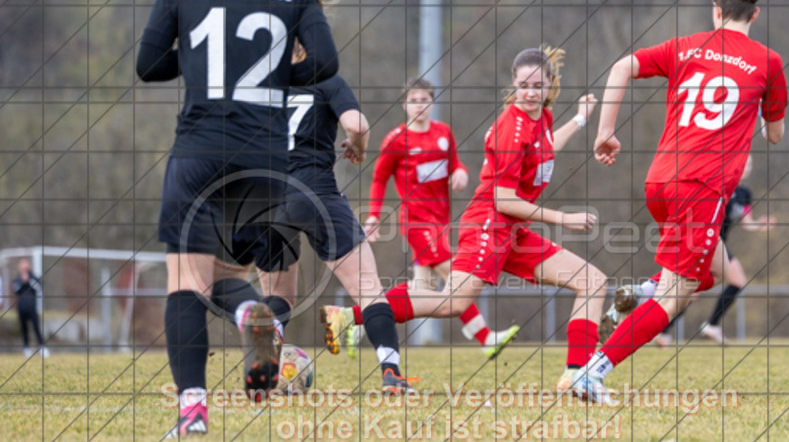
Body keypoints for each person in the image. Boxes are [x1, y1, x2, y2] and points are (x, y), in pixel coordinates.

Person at [137, 0, 340, 437]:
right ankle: (253, 314)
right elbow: (325, 64)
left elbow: (148, 65)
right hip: (266, 159)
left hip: (200, 149)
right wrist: (275, 73)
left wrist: (200, 60)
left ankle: (193, 411)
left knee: (187, 281)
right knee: (230, 271)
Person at [574, 0, 788, 402]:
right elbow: (775, 134)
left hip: (661, 182)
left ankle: (640, 292)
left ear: (715, 9)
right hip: (701, 189)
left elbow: (621, 68)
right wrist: (761, 116)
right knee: (676, 296)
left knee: (707, 274)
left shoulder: (685, 48)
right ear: (756, 13)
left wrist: (605, 132)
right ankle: (592, 372)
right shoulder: (768, 62)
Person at [359, 47, 607, 391]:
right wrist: (563, 219)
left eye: (538, 85)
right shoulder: (511, 127)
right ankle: (356, 315)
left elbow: (547, 147)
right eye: (524, 86)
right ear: (513, 84)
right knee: (453, 302)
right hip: (489, 223)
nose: (530, 92)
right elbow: (503, 199)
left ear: (550, 84)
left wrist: (580, 120)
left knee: (592, 281)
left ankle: (577, 375)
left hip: (512, 229)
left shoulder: (542, 118)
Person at [244, 46, 412, 394]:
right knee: (368, 289)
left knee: (278, 297)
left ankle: (264, 367)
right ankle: (391, 373)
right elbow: (357, 124)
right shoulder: (325, 79)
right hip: (314, 192)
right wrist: (358, 146)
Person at [355, 78, 518, 358]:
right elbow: (379, 179)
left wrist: (461, 173)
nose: (419, 106)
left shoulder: (443, 132)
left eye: (424, 100)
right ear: (404, 105)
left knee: (423, 290)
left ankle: (355, 319)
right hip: (416, 222)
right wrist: (373, 216)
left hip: (441, 222)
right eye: (413, 101)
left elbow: (456, 165)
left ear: (432, 102)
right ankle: (486, 337)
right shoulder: (396, 139)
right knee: (455, 274)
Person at [604, 154, 777, 347]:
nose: (747, 167)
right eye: (743, 162)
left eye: (750, 164)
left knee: (692, 290)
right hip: (704, 240)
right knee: (697, 287)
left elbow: (746, 222)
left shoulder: (745, 193)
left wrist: (759, 225)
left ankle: (656, 322)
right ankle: (652, 318)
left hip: (718, 245)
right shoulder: (721, 183)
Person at [13, 258, 48, 357]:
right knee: (24, 328)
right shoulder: (17, 278)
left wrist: (28, 280)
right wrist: (22, 281)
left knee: (36, 327)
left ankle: (42, 347)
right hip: (21, 307)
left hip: (32, 307)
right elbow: (16, 290)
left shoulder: (33, 277)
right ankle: (26, 348)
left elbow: (38, 287)